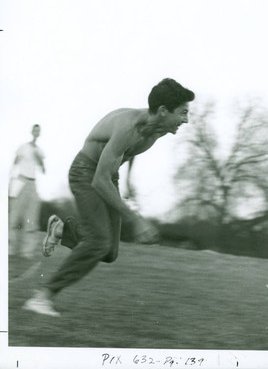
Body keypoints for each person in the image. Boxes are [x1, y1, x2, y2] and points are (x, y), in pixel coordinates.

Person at [23, 78, 195, 317]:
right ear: (164, 111)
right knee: (98, 243)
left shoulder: (159, 129)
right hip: (86, 172)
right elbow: (100, 179)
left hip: (107, 174)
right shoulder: (128, 126)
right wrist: (135, 219)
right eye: (183, 113)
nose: (186, 120)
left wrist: (129, 179)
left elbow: (131, 150)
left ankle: (61, 230)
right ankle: (42, 297)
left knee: (109, 252)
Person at [9, 124, 45, 260]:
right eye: (34, 130)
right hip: (20, 180)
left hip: (32, 182)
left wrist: (39, 158)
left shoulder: (39, 150)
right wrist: (11, 179)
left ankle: (26, 252)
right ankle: (10, 248)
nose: (36, 132)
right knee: (14, 215)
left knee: (31, 217)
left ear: (39, 133)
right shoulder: (23, 147)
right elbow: (15, 162)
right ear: (31, 132)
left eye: (38, 131)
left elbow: (43, 169)